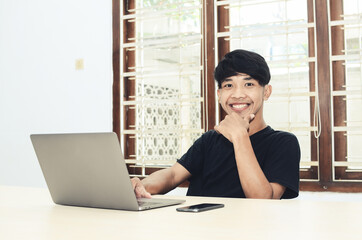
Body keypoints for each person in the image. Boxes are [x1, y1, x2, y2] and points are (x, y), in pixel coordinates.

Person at [131, 49, 301, 199]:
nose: (238, 94)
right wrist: (141, 186)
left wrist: (240, 136)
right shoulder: (209, 140)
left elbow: (263, 200)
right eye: (229, 85)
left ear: (267, 92)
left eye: (249, 84)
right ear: (219, 94)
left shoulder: (283, 143)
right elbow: (173, 175)